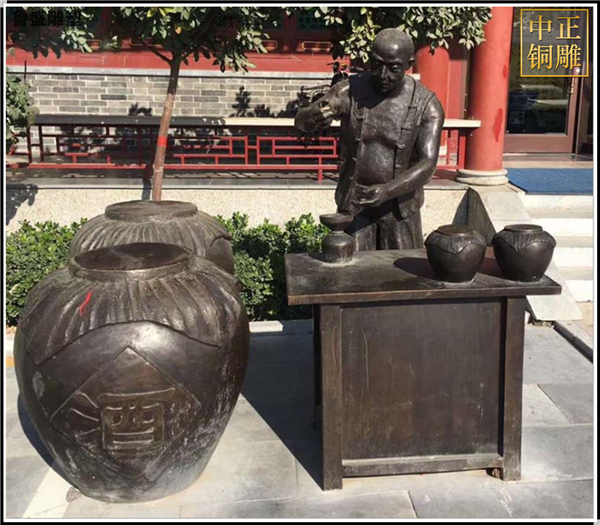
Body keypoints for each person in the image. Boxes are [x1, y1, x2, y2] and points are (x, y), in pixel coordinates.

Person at [295, 28, 444, 250]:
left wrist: (388, 191)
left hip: (400, 207)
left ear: (408, 64)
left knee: (401, 268)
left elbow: (428, 164)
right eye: (376, 64)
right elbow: (301, 121)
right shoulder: (349, 91)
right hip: (355, 203)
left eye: (393, 68)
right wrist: (313, 116)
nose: (383, 75)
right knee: (352, 266)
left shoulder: (427, 105)